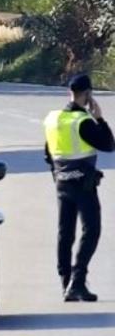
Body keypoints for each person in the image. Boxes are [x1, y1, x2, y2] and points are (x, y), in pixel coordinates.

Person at [43, 74, 115, 302]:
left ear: (69, 92)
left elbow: (48, 153)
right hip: (83, 185)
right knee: (91, 230)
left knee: (65, 233)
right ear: (88, 94)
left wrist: (59, 173)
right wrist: (100, 119)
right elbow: (108, 145)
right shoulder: (82, 122)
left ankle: (66, 282)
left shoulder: (54, 120)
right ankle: (77, 280)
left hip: (61, 183)